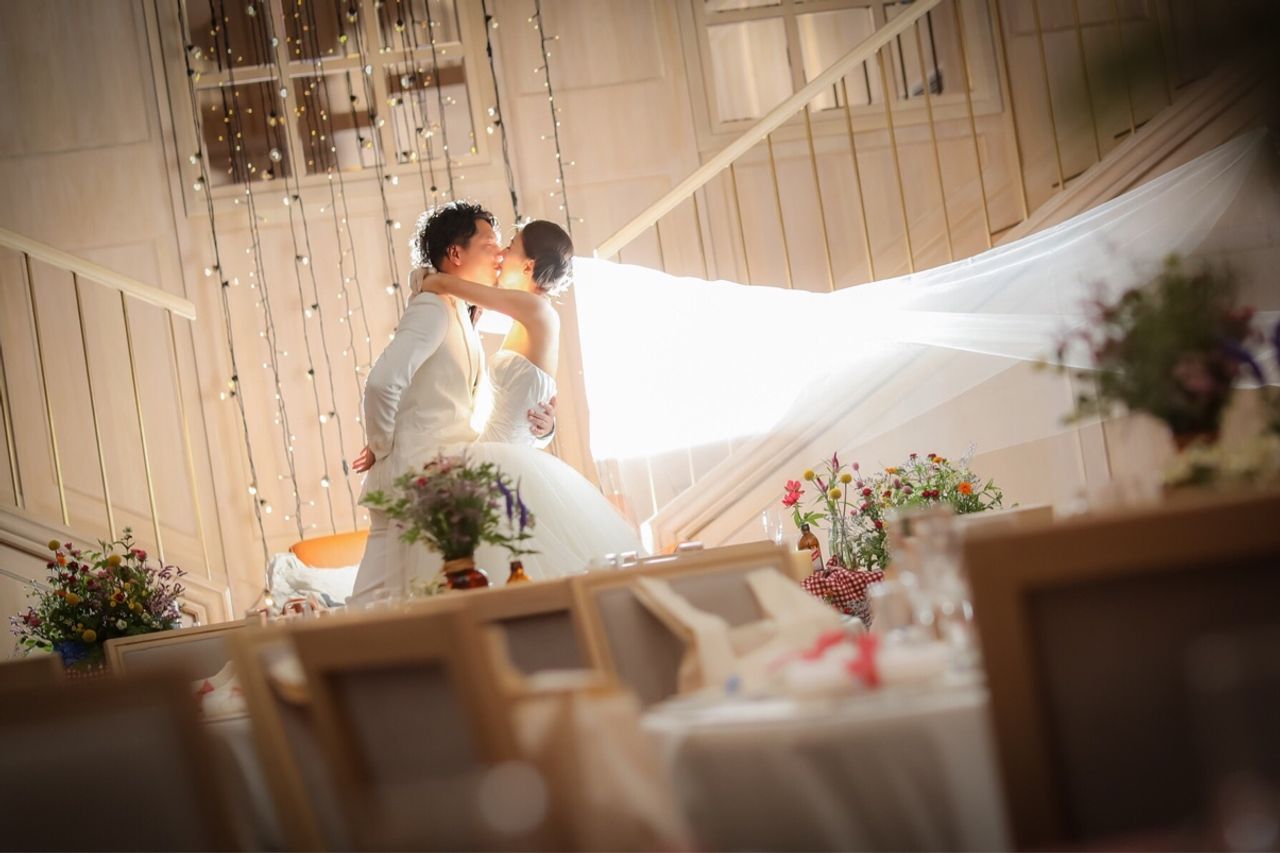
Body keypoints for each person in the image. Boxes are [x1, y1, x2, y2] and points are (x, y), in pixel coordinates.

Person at [413, 219, 643, 582]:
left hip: (501, 465)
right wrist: (545, 427)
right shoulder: (525, 315)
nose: (502, 253)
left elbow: (448, 285)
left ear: (528, 265)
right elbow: (528, 402)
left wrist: (428, 279)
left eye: (511, 247)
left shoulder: (535, 310)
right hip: (497, 456)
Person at [348, 202, 555, 602]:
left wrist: (543, 426)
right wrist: (384, 446)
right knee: (378, 604)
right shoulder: (432, 308)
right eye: (489, 244)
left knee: (408, 603)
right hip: (412, 482)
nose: (499, 254)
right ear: (456, 253)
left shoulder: (463, 311)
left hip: (444, 485)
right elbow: (382, 384)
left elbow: (493, 398)